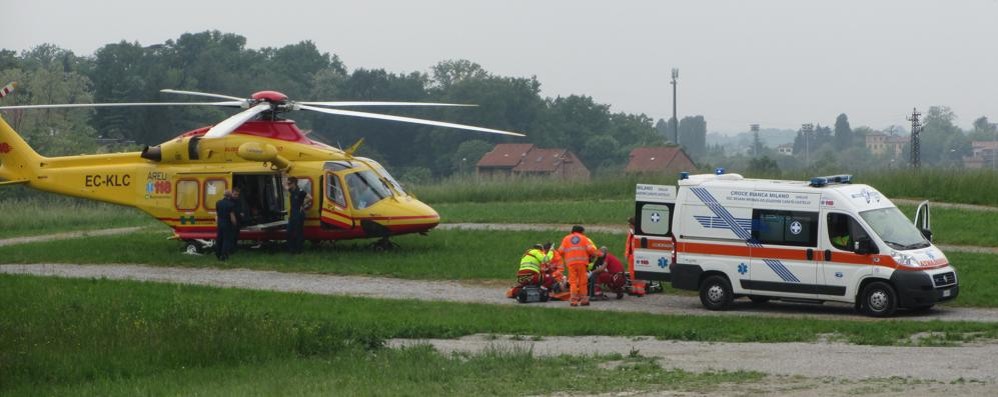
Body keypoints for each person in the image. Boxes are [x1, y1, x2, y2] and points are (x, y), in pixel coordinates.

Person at [557, 225, 599, 307]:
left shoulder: (566, 239)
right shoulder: (584, 238)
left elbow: (560, 251)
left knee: (573, 282)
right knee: (583, 282)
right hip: (582, 263)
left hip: (571, 263)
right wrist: (599, 254)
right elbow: (591, 250)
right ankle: (584, 300)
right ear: (582, 231)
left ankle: (573, 301)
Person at [286, 176, 312, 254]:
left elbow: (310, 198)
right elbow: (284, 188)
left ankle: (299, 250)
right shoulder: (291, 190)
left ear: (294, 183)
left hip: (298, 214)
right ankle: (291, 250)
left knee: (298, 232)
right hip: (292, 214)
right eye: (288, 183)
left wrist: (303, 205)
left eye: (289, 183)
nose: (288, 185)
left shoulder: (300, 191)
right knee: (289, 231)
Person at [214, 190, 238, 261]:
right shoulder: (231, 204)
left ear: (223, 195)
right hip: (227, 224)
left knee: (219, 239)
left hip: (220, 223)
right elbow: (232, 217)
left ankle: (218, 254)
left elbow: (217, 215)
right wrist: (235, 224)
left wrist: (217, 223)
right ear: (230, 196)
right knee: (226, 240)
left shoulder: (218, 203)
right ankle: (224, 255)